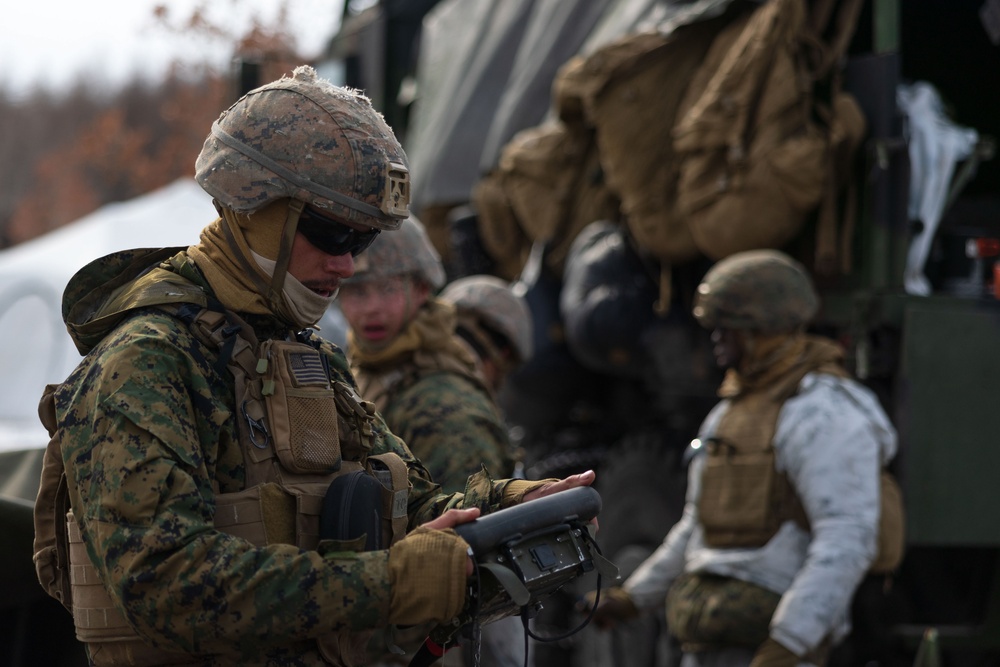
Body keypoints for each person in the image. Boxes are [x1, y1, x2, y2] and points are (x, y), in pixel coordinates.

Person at [31, 65, 595, 667]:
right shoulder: (145, 362)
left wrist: (512, 508)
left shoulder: (304, 356)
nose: (349, 267)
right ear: (257, 210)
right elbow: (165, 585)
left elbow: (407, 504)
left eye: (364, 242)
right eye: (332, 235)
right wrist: (389, 584)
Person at [585, 249, 898, 667]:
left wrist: (790, 641)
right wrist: (633, 599)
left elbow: (847, 537)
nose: (715, 340)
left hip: (767, 647)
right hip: (708, 641)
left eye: (727, 329)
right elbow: (697, 526)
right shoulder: (729, 414)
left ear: (760, 331)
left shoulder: (825, 414)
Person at [337, 222, 516, 494]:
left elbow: (468, 518)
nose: (372, 308)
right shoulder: (361, 367)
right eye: (357, 291)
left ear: (421, 289)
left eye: (388, 289)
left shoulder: (445, 405)